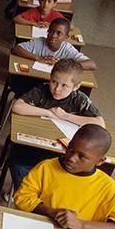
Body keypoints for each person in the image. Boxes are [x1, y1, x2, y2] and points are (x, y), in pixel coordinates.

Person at [14, 124, 115, 229]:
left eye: (82, 156)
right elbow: (22, 198)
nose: (71, 158)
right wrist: (51, 212)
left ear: (100, 161)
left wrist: (80, 225)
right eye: (70, 149)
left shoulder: (108, 187)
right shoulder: (46, 168)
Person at [9, 59, 105, 188]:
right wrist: (48, 112)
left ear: (76, 86)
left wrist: (66, 116)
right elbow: (17, 106)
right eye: (54, 82)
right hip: (34, 144)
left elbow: (100, 123)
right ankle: (26, 192)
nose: (57, 89)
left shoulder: (79, 99)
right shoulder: (42, 90)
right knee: (18, 164)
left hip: (62, 152)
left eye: (64, 85)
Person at [11, 17, 96, 70]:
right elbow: (16, 49)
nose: (53, 36)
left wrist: (62, 63)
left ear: (66, 37)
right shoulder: (40, 42)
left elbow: (91, 65)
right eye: (51, 31)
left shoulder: (67, 49)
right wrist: (38, 58)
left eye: (59, 33)